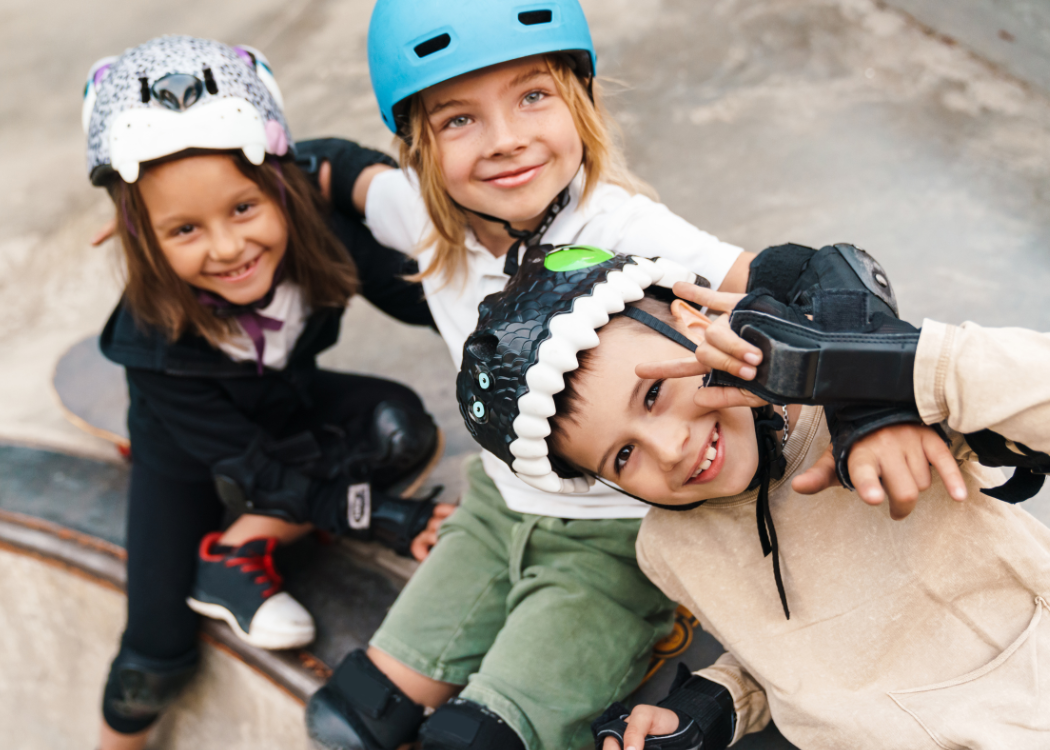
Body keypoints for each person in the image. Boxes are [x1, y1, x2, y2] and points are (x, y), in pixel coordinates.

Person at [302, 4, 943, 749]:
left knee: (470, 743)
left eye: (533, 95)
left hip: (619, 536)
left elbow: (815, 281)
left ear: (580, 97)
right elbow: (333, 169)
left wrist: (873, 408)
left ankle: (658, 617)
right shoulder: (419, 214)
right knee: (353, 714)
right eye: (458, 120)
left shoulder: (623, 230)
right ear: (416, 145)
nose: (506, 139)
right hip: (496, 509)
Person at [453, 241, 1050, 750]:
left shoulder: (861, 411)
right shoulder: (669, 548)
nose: (669, 449)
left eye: (654, 395)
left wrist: (884, 378)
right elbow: (793, 653)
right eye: (623, 456)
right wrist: (716, 703)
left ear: (693, 324)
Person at [82, 36, 448, 750]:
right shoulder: (151, 344)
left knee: (403, 429)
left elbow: (431, 298)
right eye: (183, 229)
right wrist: (391, 519)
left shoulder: (321, 233)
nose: (225, 248)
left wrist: (371, 184)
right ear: (141, 235)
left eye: (243, 209)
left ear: (284, 188)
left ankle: (237, 552)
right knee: (155, 656)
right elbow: (260, 474)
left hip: (290, 408)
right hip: (196, 462)